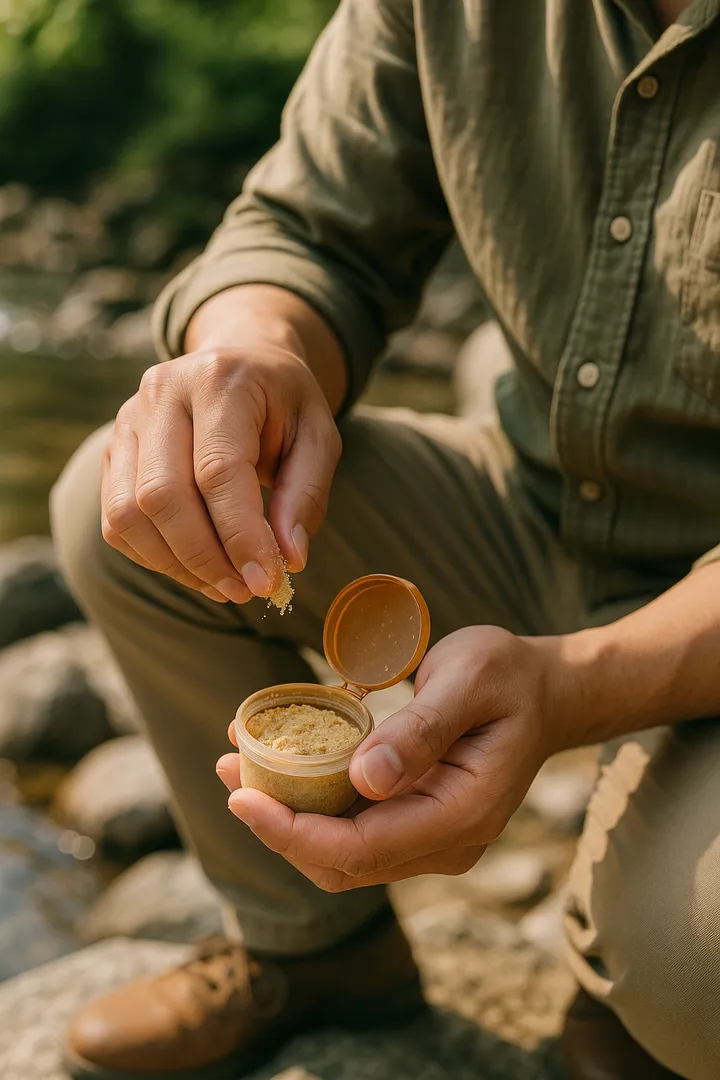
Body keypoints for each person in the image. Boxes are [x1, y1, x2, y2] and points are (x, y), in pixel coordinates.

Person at [51, 1, 720, 1077]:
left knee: (698, 972)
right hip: (539, 508)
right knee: (122, 498)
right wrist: (256, 346)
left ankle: (622, 985)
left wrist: (578, 690)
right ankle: (317, 950)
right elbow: (314, 227)